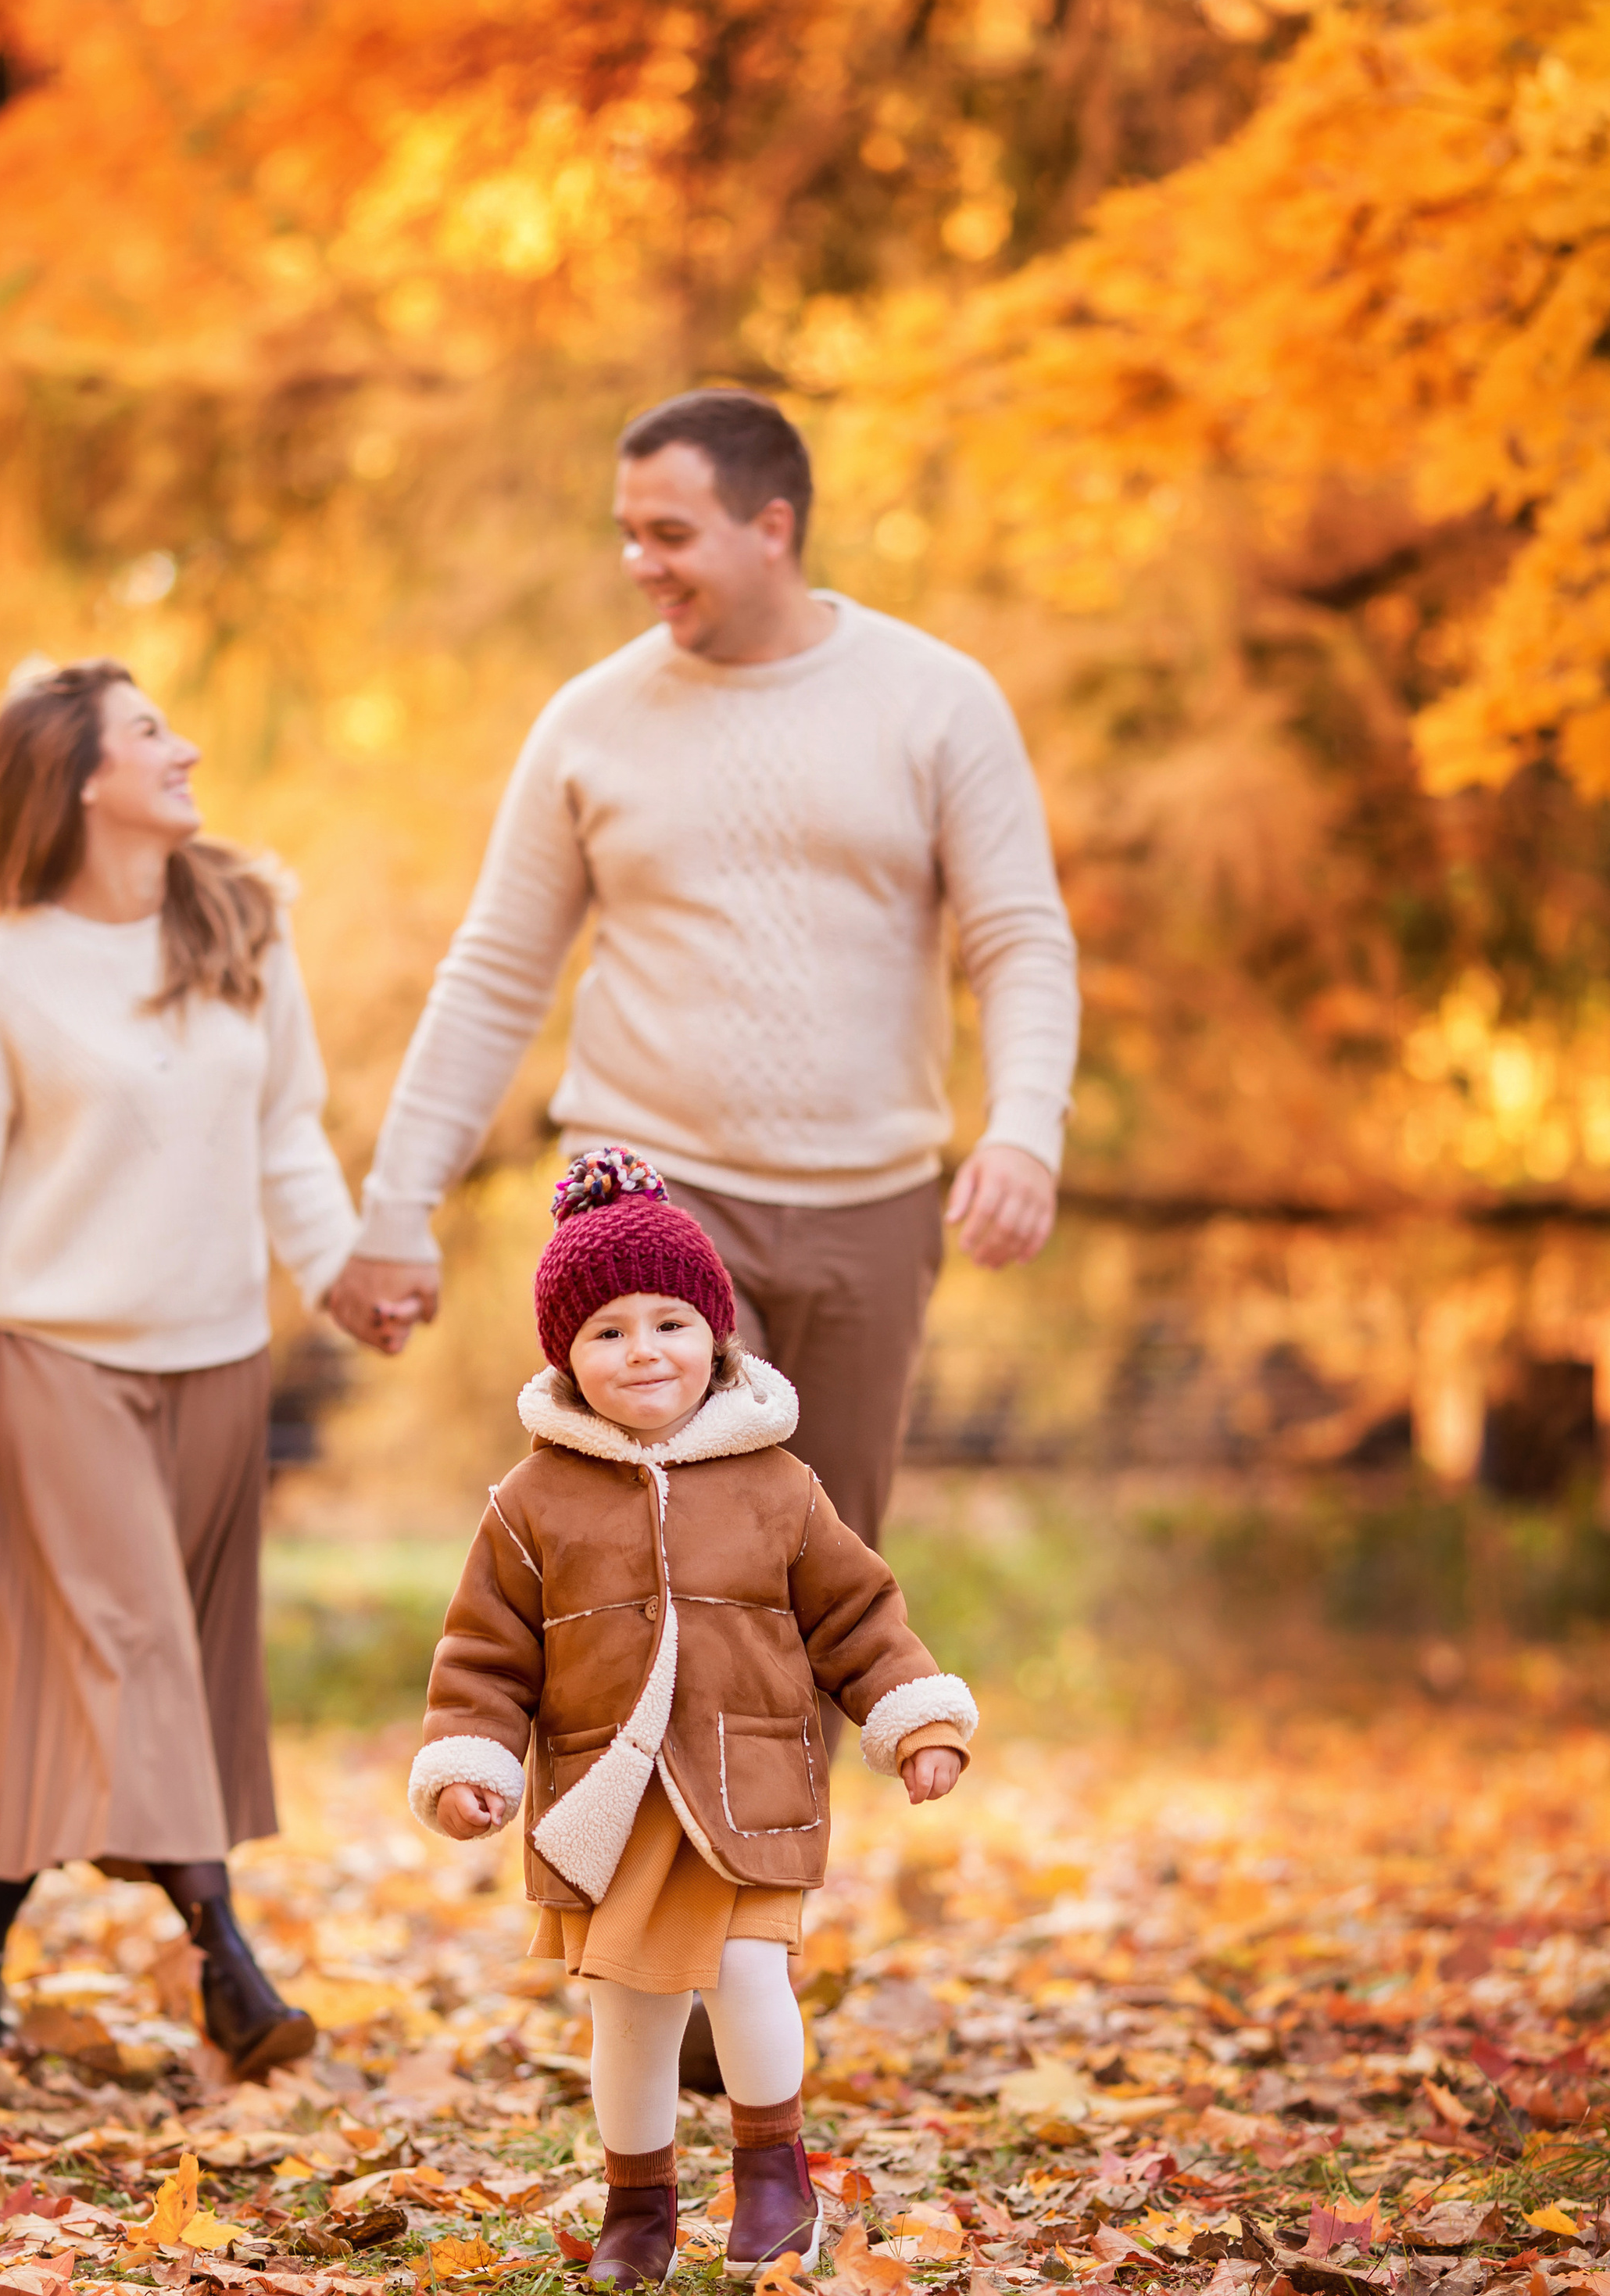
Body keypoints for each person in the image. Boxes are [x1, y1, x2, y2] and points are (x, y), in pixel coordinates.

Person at [327, 386, 1080, 1569]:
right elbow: (493, 977)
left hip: (868, 1207)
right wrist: (397, 1206)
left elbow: (1021, 938)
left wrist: (1026, 1127)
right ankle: (622, 1767)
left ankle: (794, 1770)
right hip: (653, 1194)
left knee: (825, 1576)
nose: (640, 563)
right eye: (628, 533)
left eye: (669, 535)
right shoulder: (593, 722)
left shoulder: (937, 702)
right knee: (645, 1561)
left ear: (771, 526)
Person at [0, 660, 356, 2078]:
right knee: (134, 1655)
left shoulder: (243, 922)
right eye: (149, 735)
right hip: (46, 1363)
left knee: (141, 1678)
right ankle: (229, 1969)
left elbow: (289, 1133)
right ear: (79, 783)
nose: (184, 750)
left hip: (216, 1366)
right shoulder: (1, 974)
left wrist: (346, 1274)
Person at [408, 1148, 976, 2290]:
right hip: (611, 1807)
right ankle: (639, 2202)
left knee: (751, 1980)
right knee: (631, 2014)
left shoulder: (776, 1481)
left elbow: (855, 1613)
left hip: (748, 1789)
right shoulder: (534, 1503)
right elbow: (486, 1649)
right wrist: (471, 1760)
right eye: (607, 1331)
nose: (643, 1352)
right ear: (566, 1358)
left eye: (669, 1322)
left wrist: (914, 1720)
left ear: (716, 1336)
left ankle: (774, 2178)